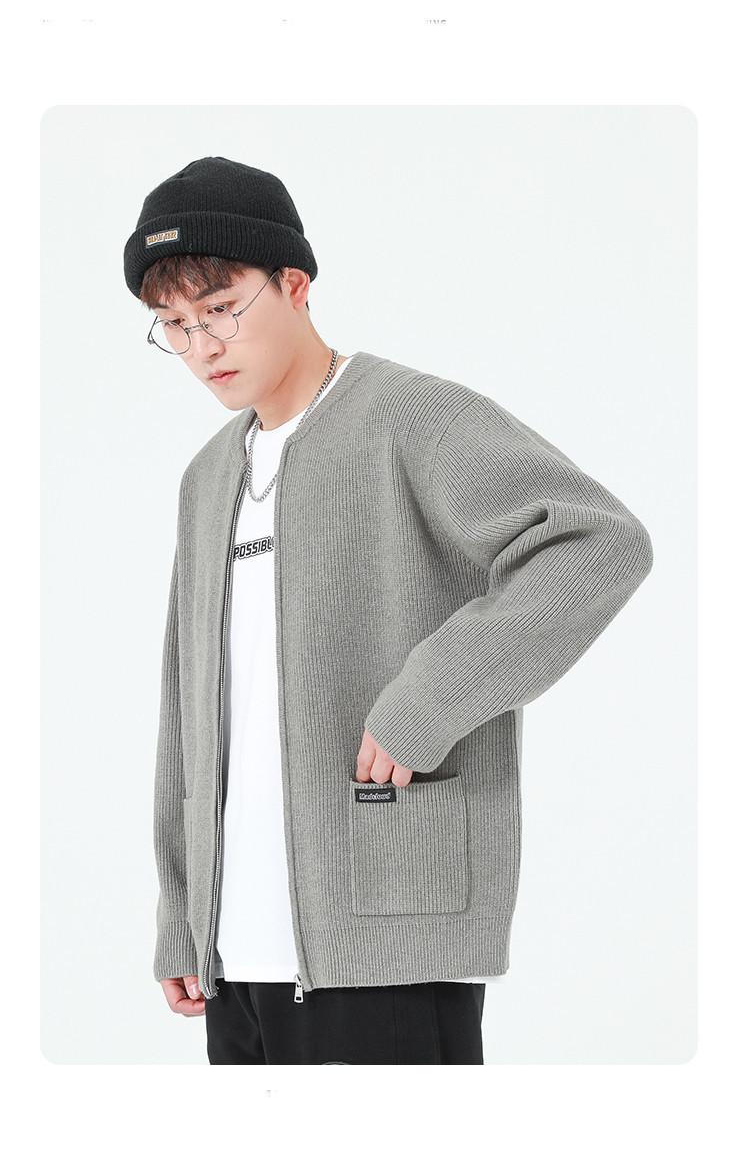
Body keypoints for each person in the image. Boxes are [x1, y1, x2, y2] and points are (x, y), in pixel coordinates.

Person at [125, 153, 653, 1070]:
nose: (202, 345)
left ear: (295, 284)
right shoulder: (207, 477)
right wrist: (184, 911)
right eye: (174, 324)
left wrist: (428, 701)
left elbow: (597, 541)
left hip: (389, 936)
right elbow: (186, 705)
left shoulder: (412, 418)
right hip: (233, 957)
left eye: (221, 307)